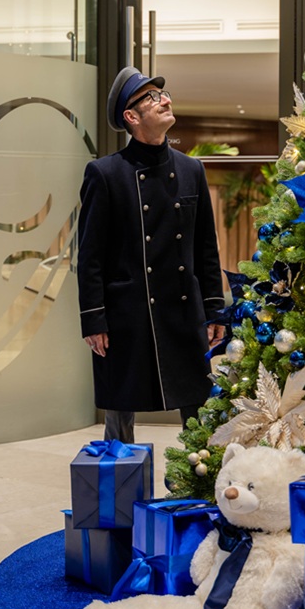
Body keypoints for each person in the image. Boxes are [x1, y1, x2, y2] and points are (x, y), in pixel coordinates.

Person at [77, 67, 226, 442]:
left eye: (164, 94)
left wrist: (214, 310)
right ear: (131, 116)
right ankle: (118, 475)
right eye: (152, 97)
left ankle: (197, 473)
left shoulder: (191, 169)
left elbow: (206, 248)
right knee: (119, 408)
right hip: (128, 312)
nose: (165, 100)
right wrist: (94, 319)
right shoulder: (105, 173)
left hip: (183, 311)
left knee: (197, 408)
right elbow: (91, 255)